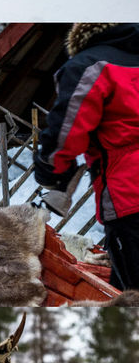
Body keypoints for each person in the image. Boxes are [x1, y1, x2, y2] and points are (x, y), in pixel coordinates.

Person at [33, 23, 139, 291]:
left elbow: (66, 134)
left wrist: (51, 170)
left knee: (129, 295)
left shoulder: (89, 65)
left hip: (130, 199)